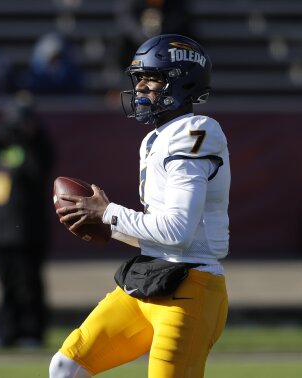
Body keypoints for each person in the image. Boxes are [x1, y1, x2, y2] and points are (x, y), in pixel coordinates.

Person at [50, 34, 230, 378]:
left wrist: (108, 213)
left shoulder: (195, 131)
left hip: (191, 289)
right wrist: (109, 227)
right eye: (140, 79)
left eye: (152, 78)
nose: (142, 87)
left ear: (181, 80)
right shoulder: (154, 138)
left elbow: (177, 232)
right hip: (151, 278)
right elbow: (158, 234)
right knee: (66, 367)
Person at [0, 92, 55, 353]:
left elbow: (38, 171)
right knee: (5, 285)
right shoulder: (1, 142)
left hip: (27, 229)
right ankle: (5, 332)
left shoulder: (39, 144)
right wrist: (0, 134)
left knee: (28, 284)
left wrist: (27, 141)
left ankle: (32, 332)